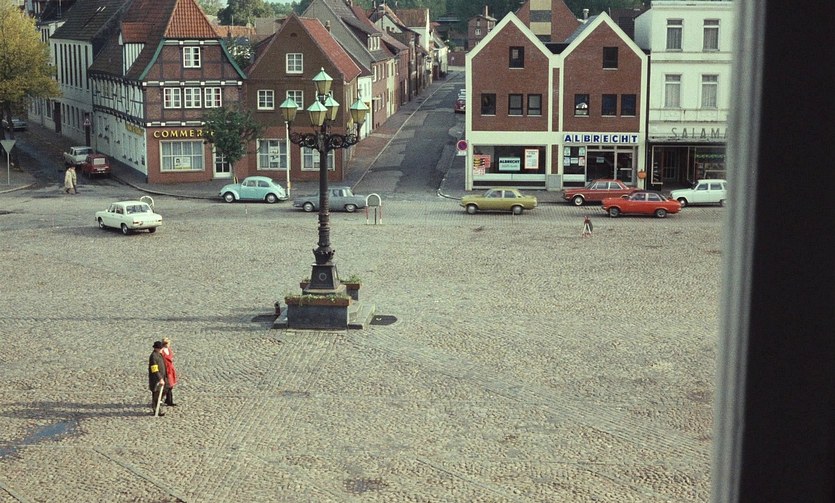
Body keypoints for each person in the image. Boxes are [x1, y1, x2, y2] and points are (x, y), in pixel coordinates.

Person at [148, 341, 167, 416]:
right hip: (156, 379)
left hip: (163, 376)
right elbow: (154, 369)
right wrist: (160, 379)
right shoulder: (153, 356)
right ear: (157, 348)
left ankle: (158, 404)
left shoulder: (159, 354)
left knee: (165, 390)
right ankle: (156, 410)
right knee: (156, 394)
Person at [160, 338, 178, 406]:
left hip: (170, 369)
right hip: (165, 369)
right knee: (168, 386)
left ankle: (168, 400)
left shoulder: (169, 350)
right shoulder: (161, 351)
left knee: (170, 385)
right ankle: (168, 400)